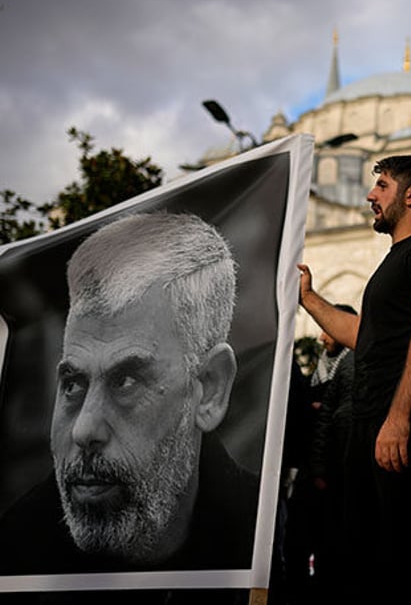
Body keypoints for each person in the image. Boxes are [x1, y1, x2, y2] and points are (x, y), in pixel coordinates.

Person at [0, 212, 259, 576]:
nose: (83, 431)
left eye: (126, 382)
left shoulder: (265, 535)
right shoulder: (14, 546)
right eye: (73, 384)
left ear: (211, 389)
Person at [298, 155, 411, 605]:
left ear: (410, 195)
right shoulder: (395, 259)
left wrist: (397, 418)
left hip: (395, 427)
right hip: (369, 426)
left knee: (405, 557)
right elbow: (365, 337)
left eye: (381, 186)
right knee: (365, 553)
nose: (370, 196)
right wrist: (309, 298)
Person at [306, 304, 356, 603]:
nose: (322, 337)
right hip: (331, 466)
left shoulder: (353, 363)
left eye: (329, 328)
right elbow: (325, 420)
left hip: (347, 465)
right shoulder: (323, 367)